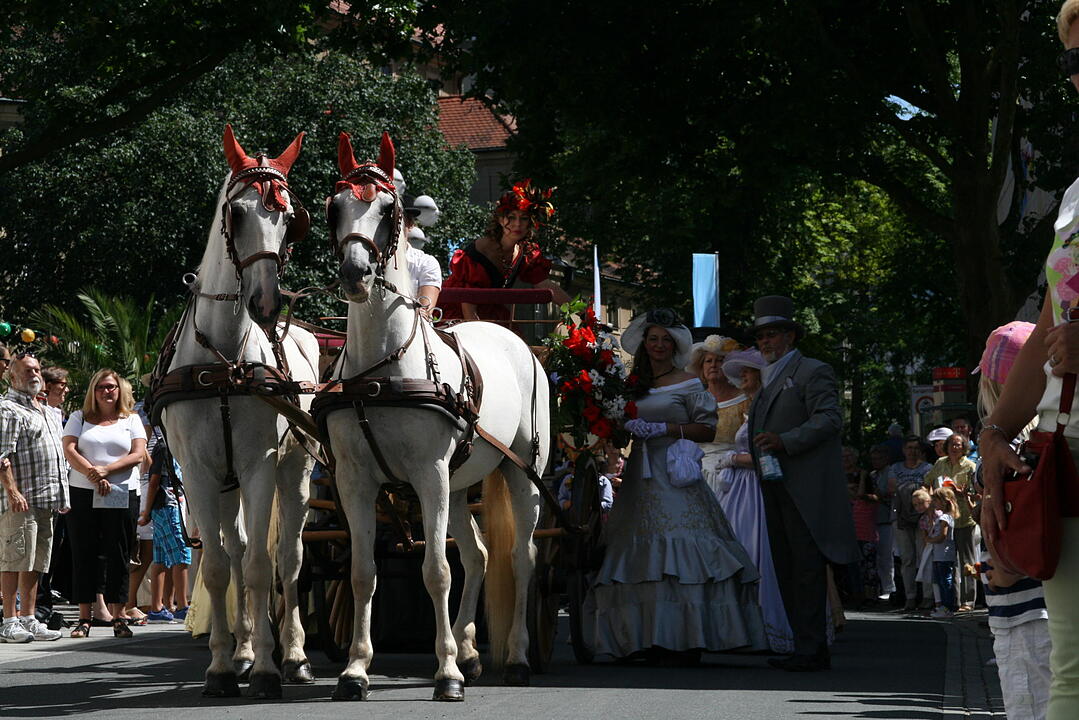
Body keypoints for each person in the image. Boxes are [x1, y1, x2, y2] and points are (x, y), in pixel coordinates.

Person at [586, 308, 765, 663]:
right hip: (640, 471)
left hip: (675, 471)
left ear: (675, 346)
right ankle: (643, 637)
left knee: (683, 551)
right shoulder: (629, 385)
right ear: (644, 343)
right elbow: (617, 426)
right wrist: (620, 428)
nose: (659, 345)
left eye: (666, 340)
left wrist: (666, 429)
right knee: (637, 554)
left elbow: (708, 428)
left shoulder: (689, 381)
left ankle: (688, 637)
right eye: (653, 339)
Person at [747, 295, 858, 672]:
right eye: (761, 336)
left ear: (791, 337)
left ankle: (811, 649)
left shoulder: (812, 370)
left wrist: (785, 440)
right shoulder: (767, 380)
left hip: (804, 488)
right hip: (775, 485)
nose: (765, 342)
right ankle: (803, 646)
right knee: (786, 568)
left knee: (806, 569)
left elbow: (829, 419)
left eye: (773, 334)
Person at [974, 319, 1049, 720]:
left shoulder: (998, 454)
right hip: (1055, 604)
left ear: (990, 386)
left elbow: (1002, 563)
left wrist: (991, 570)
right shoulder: (1052, 442)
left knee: (1031, 708)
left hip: (1019, 611)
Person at [713, 348, 795, 654]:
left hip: (756, 488)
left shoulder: (769, 410)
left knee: (758, 550)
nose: (742, 377)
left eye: (749, 372)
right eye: (742, 372)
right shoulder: (755, 408)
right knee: (740, 548)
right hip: (740, 490)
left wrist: (733, 458)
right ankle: (740, 626)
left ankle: (765, 626)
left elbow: (768, 454)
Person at [62, 368, 147, 639]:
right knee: (84, 551)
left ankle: (119, 616)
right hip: (83, 491)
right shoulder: (79, 417)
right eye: (101, 387)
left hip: (121, 491)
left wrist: (106, 471)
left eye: (111, 387)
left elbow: (138, 454)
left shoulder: (131, 419)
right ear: (93, 391)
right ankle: (84, 617)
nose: (107, 391)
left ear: (119, 390)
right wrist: (92, 472)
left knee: (118, 552)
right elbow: (69, 449)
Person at [0, 353, 66, 643]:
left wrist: (62, 495)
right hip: (21, 499)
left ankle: (28, 617)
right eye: (27, 370)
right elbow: (2, 455)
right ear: (12, 376)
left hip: (46, 498)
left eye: (37, 369)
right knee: (14, 560)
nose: (34, 374)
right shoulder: (8, 409)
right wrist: (12, 490)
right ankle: (9, 620)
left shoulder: (46, 410)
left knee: (37, 562)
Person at [439, 179, 569, 324]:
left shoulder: (527, 252)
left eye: (524, 218)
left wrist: (580, 312)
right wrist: (479, 332)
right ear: (500, 220)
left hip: (490, 312)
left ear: (531, 223)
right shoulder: (482, 249)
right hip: (457, 313)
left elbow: (545, 285)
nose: (517, 224)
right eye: (511, 217)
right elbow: (468, 301)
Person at [691, 334, 750, 499]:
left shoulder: (746, 399)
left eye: (719, 360)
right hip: (698, 476)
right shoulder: (694, 402)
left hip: (735, 476)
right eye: (708, 361)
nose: (713, 365)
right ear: (701, 368)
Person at [925, 432, 978, 611]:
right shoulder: (940, 463)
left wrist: (961, 492)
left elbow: (976, 492)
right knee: (949, 562)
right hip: (944, 520)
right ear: (946, 446)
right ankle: (952, 601)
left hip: (963, 519)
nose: (955, 447)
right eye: (952, 444)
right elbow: (928, 482)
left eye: (958, 445)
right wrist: (930, 501)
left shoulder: (970, 466)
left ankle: (968, 601)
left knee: (967, 561)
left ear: (964, 448)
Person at [140, 441, 191, 622]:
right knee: (182, 554)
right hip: (167, 505)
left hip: (168, 505)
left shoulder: (172, 446)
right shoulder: (165, 447)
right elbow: (154, 481)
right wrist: (146, 512)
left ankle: (157, 608)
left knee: (161, 557)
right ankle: (183, 606)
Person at [888, 436, 934, 611]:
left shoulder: (927, 468)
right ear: (903, 450)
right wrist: (915, 488)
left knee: (924, 556)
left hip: (921, 516)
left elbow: (927, 488)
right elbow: (892, 487)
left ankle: (927, 596)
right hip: (900, 517)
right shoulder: (895, 468)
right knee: (907, 558)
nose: (912, 451)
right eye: (909, 447)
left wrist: (906, 488)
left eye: (916, 448)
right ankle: (910, 596)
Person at [844, 447, 879, 608]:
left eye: (849, 455)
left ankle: (870, 595)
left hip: (865, 524)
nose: (846, 459)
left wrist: (859, 493)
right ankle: (853, 594)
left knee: (868, 563)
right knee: (850, 563)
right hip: (846, 525)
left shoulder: (865, 475)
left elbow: (873, 496)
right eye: (843, 456)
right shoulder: (836, 475)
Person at [868, 443, 896, 601]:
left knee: (887, 556)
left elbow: (889, 494)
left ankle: (889, 588)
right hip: (873, 520)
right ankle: (881, 586)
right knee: (877, 556)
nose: (875, 461)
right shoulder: (872, 475)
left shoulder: (890, 472)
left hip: (887, 520)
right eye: (873, 459)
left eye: (879, 458)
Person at [925, 488, 959, 619]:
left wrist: (930, 540)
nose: (934, 502)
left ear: (944, 502)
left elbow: (942, 536)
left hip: (944, 555)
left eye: (936, 500)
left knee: (945, 581)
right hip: (940, 555)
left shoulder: (945, 517)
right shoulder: (944, 516)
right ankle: (943, 607)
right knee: (941, 581)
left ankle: (947, 607)